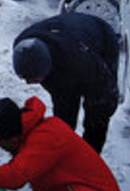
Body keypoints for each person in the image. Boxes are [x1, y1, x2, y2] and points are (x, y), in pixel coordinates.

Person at [12, 12, 119, 153]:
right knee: (64, 113)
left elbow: (105, 89)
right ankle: (63, 152)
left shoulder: (83, 60)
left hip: (101, 38)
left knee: (96, 116)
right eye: (25, 78)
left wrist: (104, 111)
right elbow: (60, 92)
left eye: (34, 78)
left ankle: (89, 158)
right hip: (67, 38)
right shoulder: (23, 46)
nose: (28, 83)